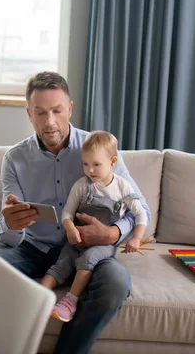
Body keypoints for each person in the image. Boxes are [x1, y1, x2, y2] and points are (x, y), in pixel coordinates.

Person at [0, 71, 151, 354]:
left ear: (70, 109)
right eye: (40, 113)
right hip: (34, 248)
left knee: (116, 282)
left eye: (57, 111)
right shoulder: (15, 159)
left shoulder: (98, 149)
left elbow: (140, 209)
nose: (49, 122)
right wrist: (12, 222)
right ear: (29, 114)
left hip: (88, 250)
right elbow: (7, 233)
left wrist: (112, 233)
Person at [41, 130, 148, 323]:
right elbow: (67, 212)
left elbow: (141, 214)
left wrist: (136, 238)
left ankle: (70, 301)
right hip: (77, 239)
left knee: (89, 258)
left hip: (103, 245)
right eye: (85, 164)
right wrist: (71, 228)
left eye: (96, 164)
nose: (90, 170)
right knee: (62, 262)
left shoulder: (122, 187)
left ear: (113, 162)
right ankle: (37, 296)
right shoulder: (82, 185)